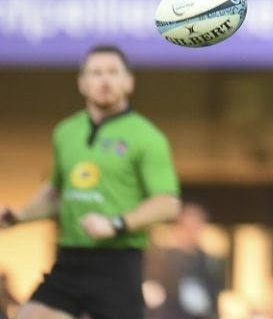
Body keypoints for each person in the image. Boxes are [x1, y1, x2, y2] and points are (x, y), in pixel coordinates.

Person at [0, 45, 182, 319]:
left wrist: (116, 224)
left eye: (113, 72)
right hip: (71, 259)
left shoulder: (148, 137)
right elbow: (55, 194)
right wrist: (19, 215)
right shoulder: (66, 132)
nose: (105, 81)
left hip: (118, 264)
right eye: (96, 73)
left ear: (128, 82)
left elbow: (168, 204)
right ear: (82, 84)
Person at [144, 203, 224, 319]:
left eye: (195, 225)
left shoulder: (208, 261)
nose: (190, 232)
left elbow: (214, 295)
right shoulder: (162, 259)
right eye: (187, 226)